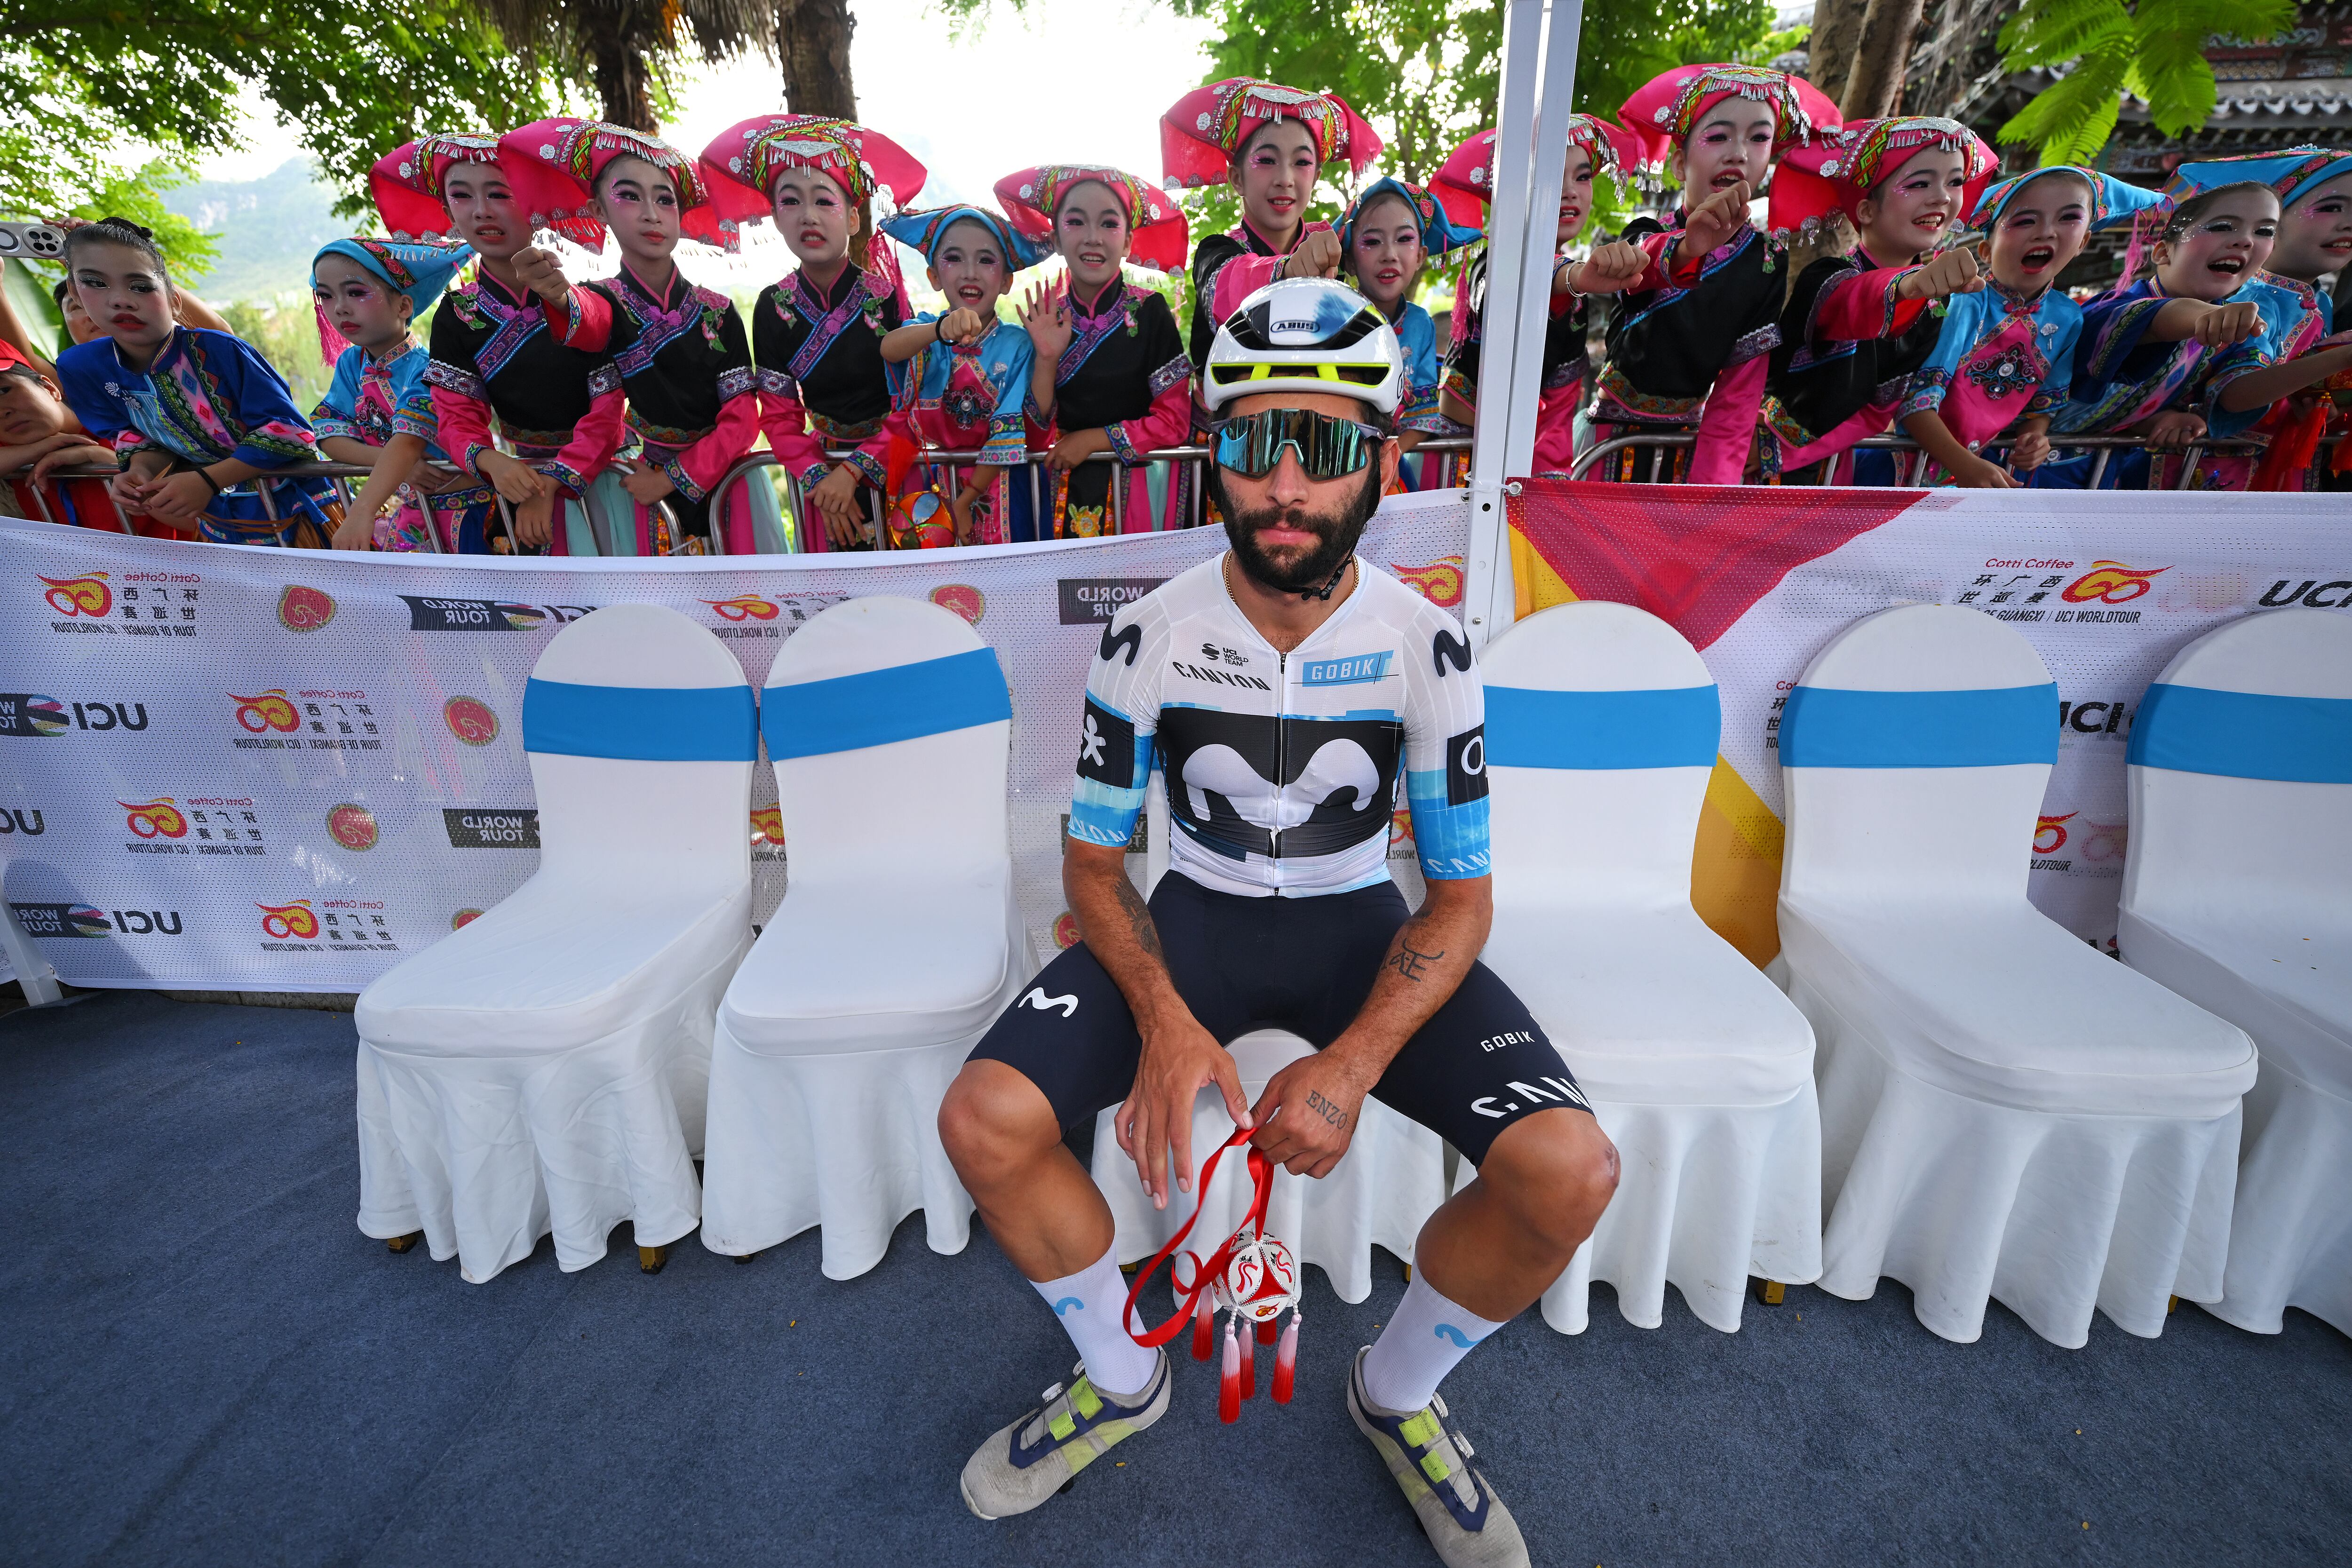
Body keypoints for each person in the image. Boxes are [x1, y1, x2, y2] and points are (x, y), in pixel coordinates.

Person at [938, 276, 1618, 1568]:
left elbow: (1462, 898)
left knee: (1568, 1173)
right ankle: (1121, 1374)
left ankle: (1399, 1392)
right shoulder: (1148, 634)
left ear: (1382, 461)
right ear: (1214, 456)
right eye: (1255, 443)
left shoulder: (1433, 646)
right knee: (985, 1118)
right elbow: (1092, 869)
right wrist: (1168, 1024)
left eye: (1326, 446)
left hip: (1361, 924)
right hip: (1195, 915)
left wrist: (1353, 1066)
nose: (1287, 486)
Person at [511, 119, 779, 555]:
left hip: (730, 483)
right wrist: (560, 296)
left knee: (748, 613)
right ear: (599, 211)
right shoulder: (601, 301)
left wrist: (671, 478)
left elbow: (744, 419)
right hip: (638, 489)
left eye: (665, 199)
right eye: (629, 196)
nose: (652, 213)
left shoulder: (717, 309)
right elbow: (593, 325)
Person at [373, 129, 626, 555]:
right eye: (462, 196)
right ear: (448, 210)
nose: (482, 212)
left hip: (598, 485)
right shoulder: (457, 316)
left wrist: (552, 483)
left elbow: (609, 415)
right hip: (518, 484)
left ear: (532, 202)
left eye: (500, 193)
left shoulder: (590, 300)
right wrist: (492, 461)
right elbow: (456, 417)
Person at [1591, 64, 1840, 484]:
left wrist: (1712, 492)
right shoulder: (1648, 232)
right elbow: (1642, 265)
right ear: (1678, 163)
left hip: (1690, 450)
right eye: (1718, 136)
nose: (1739, 153)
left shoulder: (1767, 258)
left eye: (1759, 138)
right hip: (1611, 443)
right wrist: (1690, 247)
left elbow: (1740, 389)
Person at [699, 114, 927, 550]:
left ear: (854, 218)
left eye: (824, 201)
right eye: (790, 202)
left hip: (893, 467)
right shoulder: (771, 307)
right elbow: (781, 418)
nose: (808, 216)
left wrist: (852, 472)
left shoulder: (887, 299)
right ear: (776, 220)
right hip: (822, 483)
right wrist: (822, 480)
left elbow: (912, 408)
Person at [56, 218, 341, 547]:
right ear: (76, 292)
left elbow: (292, 432)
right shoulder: (82, 367)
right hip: (220, 521)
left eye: (140, 286)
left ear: (175, 300)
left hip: (299, 511)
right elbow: (134, 435)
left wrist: (207, 480)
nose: (121, 300)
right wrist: (139, 471)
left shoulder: (221, 351)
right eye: (95, 283)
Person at [1756, 116, 1998, 484]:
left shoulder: (1935, 305)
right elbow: (1855, 301)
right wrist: (1911, 285)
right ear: (1866, 210)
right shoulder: (1826, 277)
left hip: (1838, 470)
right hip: (1763, 460)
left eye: (1955, 182)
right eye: (1919, 183)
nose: (1943, 197)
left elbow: (1881, 407)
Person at [1895, 167, 2167, 487]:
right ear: (1986, 250)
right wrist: (1965, 465)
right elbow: (1915, 404)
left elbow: (2044, 403)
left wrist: (2035, 438)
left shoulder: (2068, 317)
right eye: (2025, 221)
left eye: (2069, 218)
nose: (2046, 233)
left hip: (1988, 470)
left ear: (2084, 242)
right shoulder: (1966, 301)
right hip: (1912, 466)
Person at [1432, 117, 1649, 481]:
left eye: (1582, 177)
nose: (1569, 191)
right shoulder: (1491, 263)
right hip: (1459, 468)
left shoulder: (1578, 299)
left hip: (1523, 470)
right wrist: (1574, 276)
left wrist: (1551, 492)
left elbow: (1558, 419)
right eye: (1548, 176)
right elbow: (1513, 281)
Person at [2031, 181, 2276, 490]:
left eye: (2265, 232)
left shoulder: (2231, 329)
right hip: (2022, 468)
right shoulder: (2107, 310)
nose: (2245, 242)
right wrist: (2207, 316)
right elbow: (2156, 318)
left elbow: (2239, 395)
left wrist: (2162, 417)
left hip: (2096, 478)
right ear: (2162, 252)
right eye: (2223, 226)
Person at [998, 164, 1192, 537]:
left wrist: (1093, 440)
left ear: (1129, 242)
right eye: (1075, 222)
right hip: (1060, 491)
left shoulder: (1150, 312)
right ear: (1054, 239)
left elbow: (1174, 422)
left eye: (1108, 224)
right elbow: (1033, 437)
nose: (1093, 238)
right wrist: (1046, 360)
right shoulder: (1046, 317)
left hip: (1135, 493)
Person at [1160, 77, 1382, 371]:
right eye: (1266, 160)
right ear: (1237, 179)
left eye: (1302, 163)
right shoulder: (1215, 253)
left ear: (1316, 177)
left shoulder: (1335, 251)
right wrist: (1288, 270)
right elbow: (1226, 290)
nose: (1285, 179)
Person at [2164, 147, 2352, 490]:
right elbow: (2233, 396)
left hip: (2273, 469)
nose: (2349, 222)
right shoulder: (2252, 301)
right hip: (2216, 475)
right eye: (2331, 207)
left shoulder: (2316, 302)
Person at [866, 205, 1045, 547]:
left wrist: (965, 502)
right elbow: (889, 348)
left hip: (1001, 486)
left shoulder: (1018, 344)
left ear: (1007, 280)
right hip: (932, 483)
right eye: (954, 258)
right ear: (934, 276)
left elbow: (1009, 432)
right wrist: (939, 329)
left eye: (986, 260)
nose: (970, 273)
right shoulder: (926, 333)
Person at [308, 236, 494, 550]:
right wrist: (393, 464)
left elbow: (408, 442)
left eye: (355, 292)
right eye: (326, 296)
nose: (339, 308)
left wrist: (363, 510)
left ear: (404, 305)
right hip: (413, 510)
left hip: (466, 509)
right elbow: (329, 435)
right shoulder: (352, 364)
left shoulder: (428, 367)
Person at [1335, 177, 1481, 478]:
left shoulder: (1420, 324)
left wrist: (1383, 463)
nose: (1389, 254)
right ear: (1348, 260)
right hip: (1334, 462)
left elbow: (1424, 415)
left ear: (1420, 257)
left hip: (1392, 470)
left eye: (1404, 239)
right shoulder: (1337, 318)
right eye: (1372, 242)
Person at [0, 339, 148, 533]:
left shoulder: (134, 425)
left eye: (4, 391)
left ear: (50, 388)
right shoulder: (11, 450)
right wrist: (39, 449)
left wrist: (99, 457)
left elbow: (189, 517)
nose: (3, 412)